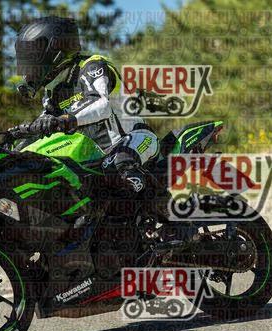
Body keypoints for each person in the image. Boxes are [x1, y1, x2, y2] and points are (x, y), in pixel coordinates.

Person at [12, 16, 172, 221]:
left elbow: (101, 104)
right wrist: (15, 141)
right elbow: (43, 124)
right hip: (95, 155)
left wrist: (65, 119)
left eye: (32, 59)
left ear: (55, 50)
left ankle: (169, 215)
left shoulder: (92, 66)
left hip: (133, 139)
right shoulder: (53, 90)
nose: (28, 68)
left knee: (119, 164)